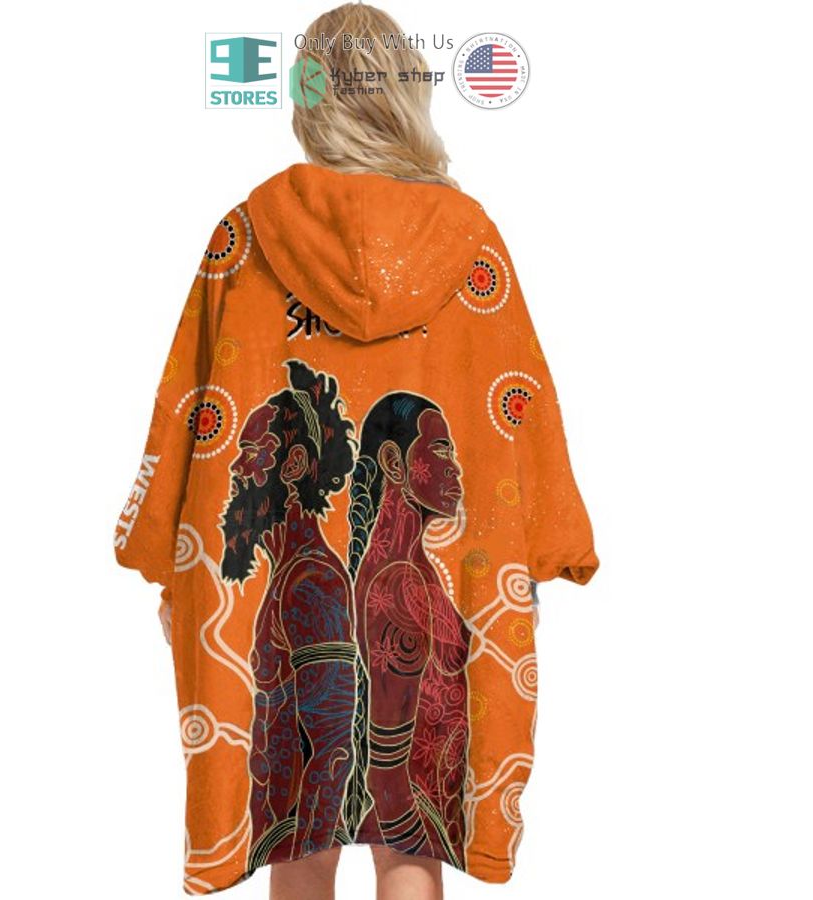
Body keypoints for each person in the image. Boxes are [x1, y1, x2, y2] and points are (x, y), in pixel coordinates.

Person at [113, 3, 598, 898]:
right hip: (433, 585)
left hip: (281, 590)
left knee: (297, 825)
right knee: (414, 836)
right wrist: (556, 538)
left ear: (311, 99)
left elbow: (190, 412)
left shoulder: (246, 239)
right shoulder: (471, 247)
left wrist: (154, 540)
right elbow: (519, 411)